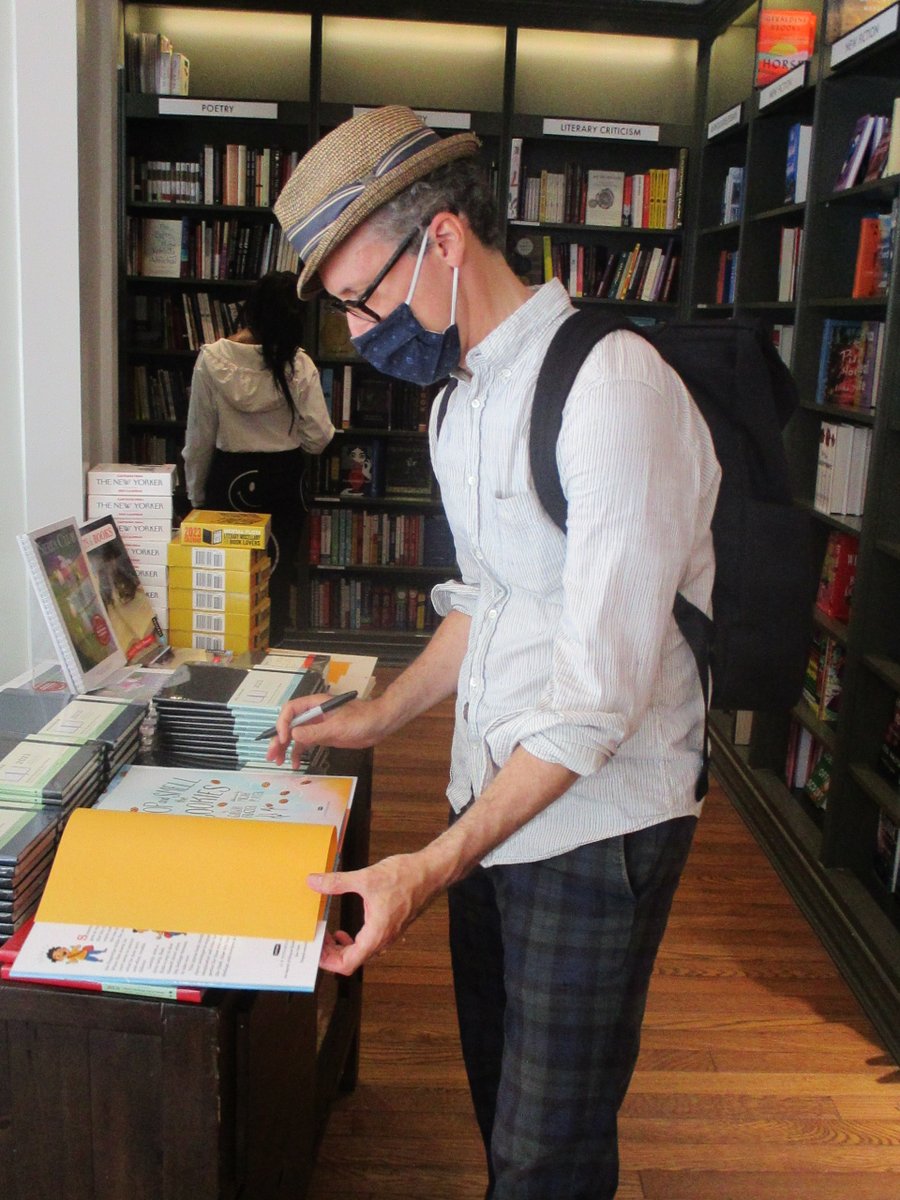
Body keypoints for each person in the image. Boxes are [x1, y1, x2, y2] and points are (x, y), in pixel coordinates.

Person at [270, 106, 721, 1199]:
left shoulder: (611, 389)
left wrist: (426, 868)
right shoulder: (459, 404)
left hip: (598, 823)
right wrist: (378, 715)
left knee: (545, 1155)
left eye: (362, 299)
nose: (360, 331)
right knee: (501, 1106)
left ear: (442, 240)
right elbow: (491, 598)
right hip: (493, 801)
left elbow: (595, 706)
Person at [182, 270, 335, 644]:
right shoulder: (298, 364)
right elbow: (319, 438)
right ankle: (272, 653)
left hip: (228, 477)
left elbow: (198, 439)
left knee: (227, 584)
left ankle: (226, 660)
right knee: (274, 579)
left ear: (250, 309)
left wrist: (196, 496)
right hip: (284, 479)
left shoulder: (212, 360)